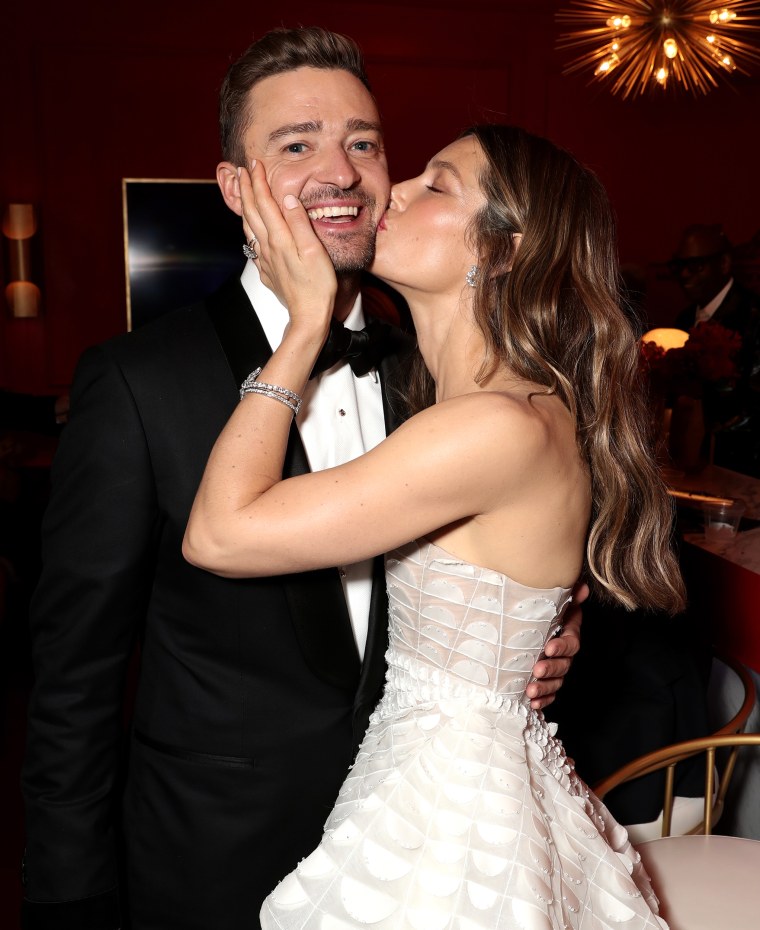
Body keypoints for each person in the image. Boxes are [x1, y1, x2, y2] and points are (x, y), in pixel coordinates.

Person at [20, 28, 580, 930]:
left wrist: (543, 630)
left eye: (363, 142)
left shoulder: (435, 371)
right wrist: (66, 889)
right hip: (214, 859)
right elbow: (73, 673)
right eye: (297, 144)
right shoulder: (138, 382)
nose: (343, 172)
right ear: (235, 188)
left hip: (424, 854)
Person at [184, 125, 685, 928]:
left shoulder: (494, 425)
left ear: (505, 251)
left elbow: (219, 536)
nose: (395, 192)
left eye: (437, 184)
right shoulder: (479, 407)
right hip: (431, 768)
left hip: (449, 818)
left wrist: (302, 331)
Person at [670, 223, 760, 475]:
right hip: (686, 465)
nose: (685, 274)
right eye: (679, 266)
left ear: (723, 264)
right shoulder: (684, 318)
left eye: (696, 265)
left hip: (740, 467)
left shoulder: (752, 317)